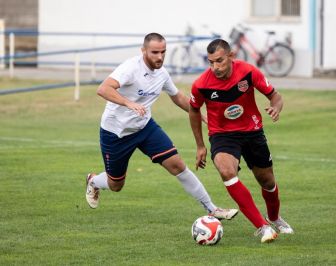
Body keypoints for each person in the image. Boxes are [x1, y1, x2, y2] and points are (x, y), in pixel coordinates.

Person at [85, 33, 238, 220]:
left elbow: (178, 97)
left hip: (145, 128)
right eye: (154, 52)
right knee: (116, 184)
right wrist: (129, 103)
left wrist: (202, 116)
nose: (159, 57)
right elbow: (103, 88)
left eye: (163, 52)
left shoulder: (162, 73)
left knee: (178, 165)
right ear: (143, 51)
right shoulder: (130, 68)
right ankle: (93, 180)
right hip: (116, 132)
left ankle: (212, 209)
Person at [188, 39, 293, 243]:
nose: (215, 67)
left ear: (231, 56)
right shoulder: (201, 84)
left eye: (219, 61)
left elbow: (276, 96)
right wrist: (200, 145)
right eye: (210, 62)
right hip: (222, 135)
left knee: (267, 181)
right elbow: (193, 110)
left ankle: (274, 218)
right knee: (227, 171)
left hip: (252, 132)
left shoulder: (248, 72)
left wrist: (276, 107)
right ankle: (262, 227)